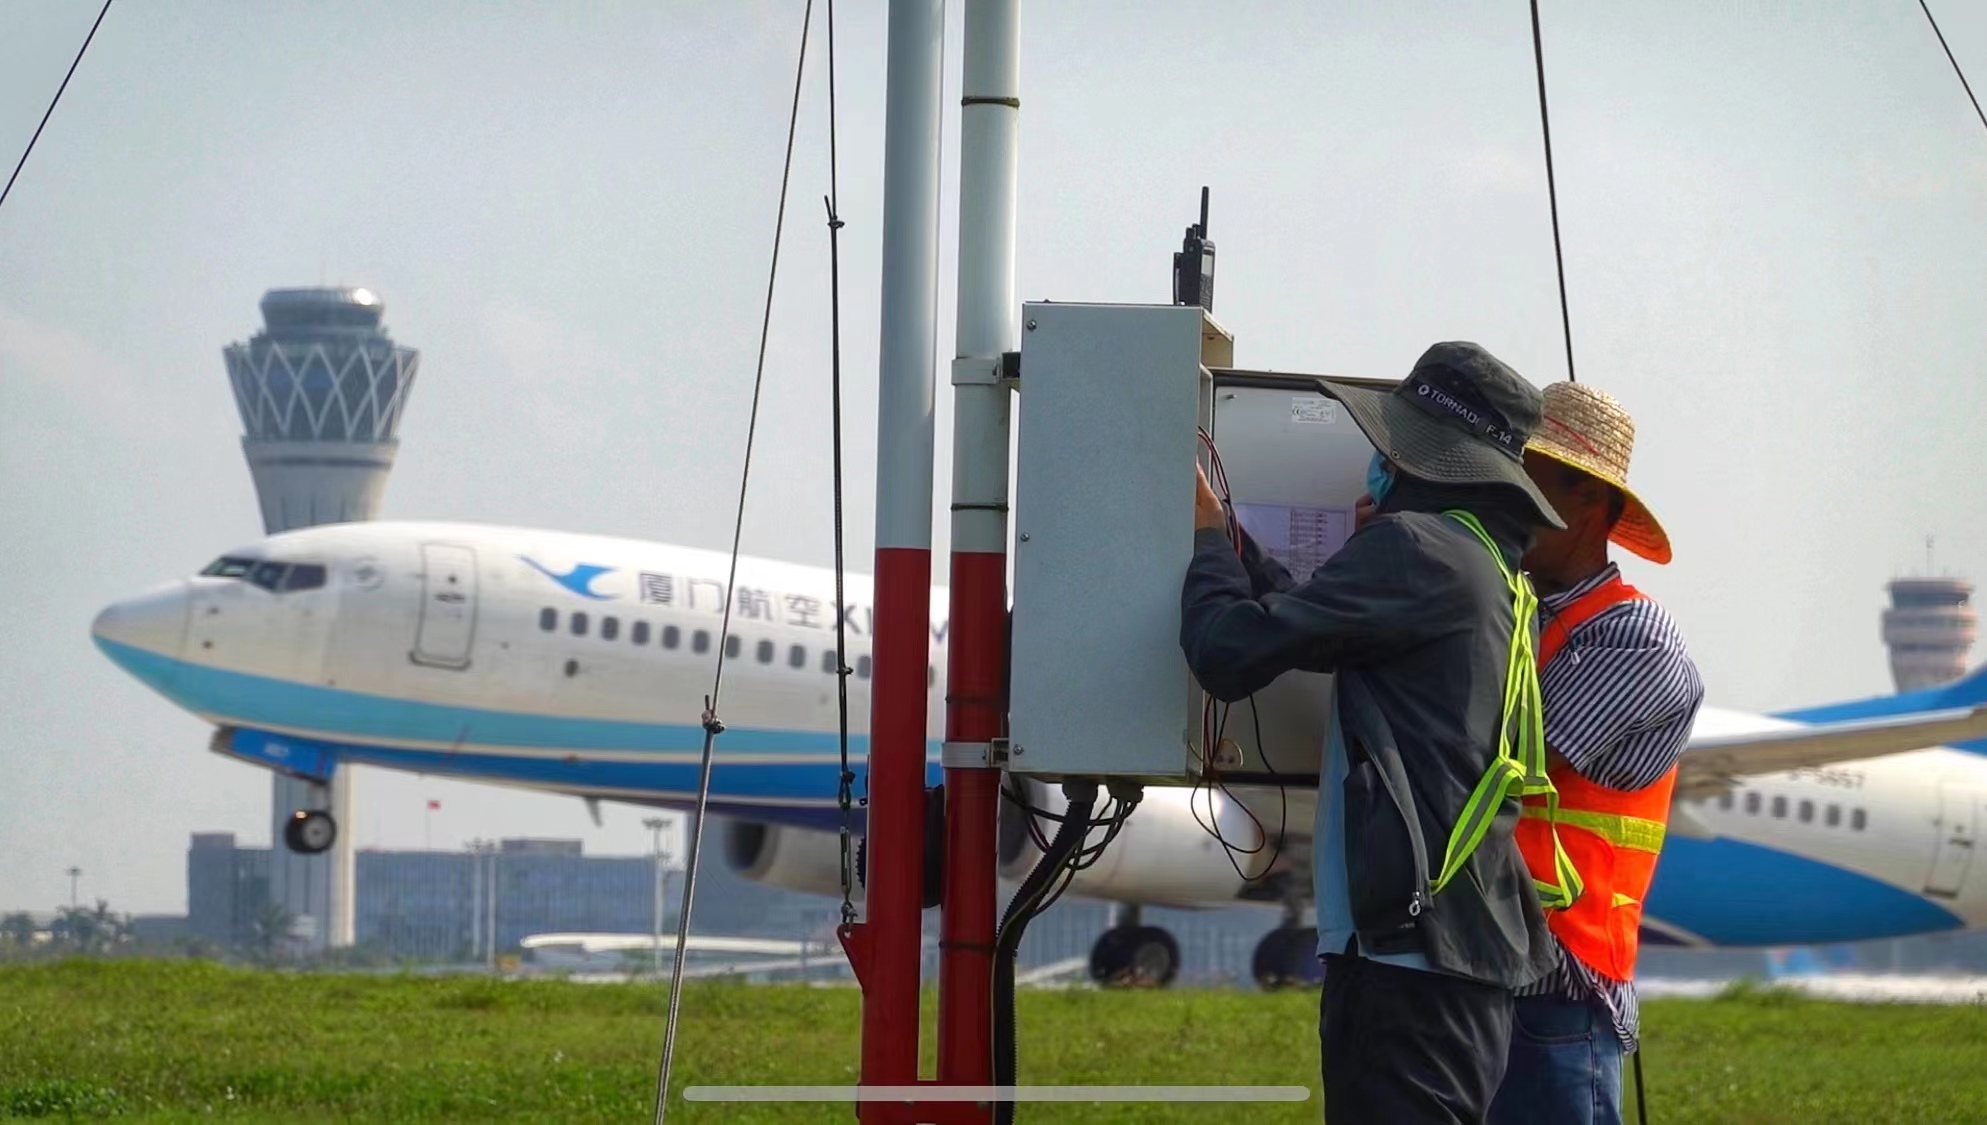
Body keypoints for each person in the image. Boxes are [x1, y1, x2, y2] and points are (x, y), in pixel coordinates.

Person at [1181, 342, 1571, 1123]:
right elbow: (1304, 618)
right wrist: (1234, 543)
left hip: (1406, 961)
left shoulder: (1417, 552)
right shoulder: (1485, 565)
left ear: (1420, 458)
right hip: (1451, 952)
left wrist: (1197, 536)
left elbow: (1227, 651)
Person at [1488, 383, 1705, 1125]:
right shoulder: (1510, 612)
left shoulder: (1631, 636)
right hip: (1490, 971)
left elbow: (1489, 746)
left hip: (1558, 982)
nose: (1504, 502)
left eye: (1527, 485)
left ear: (1589, 504)